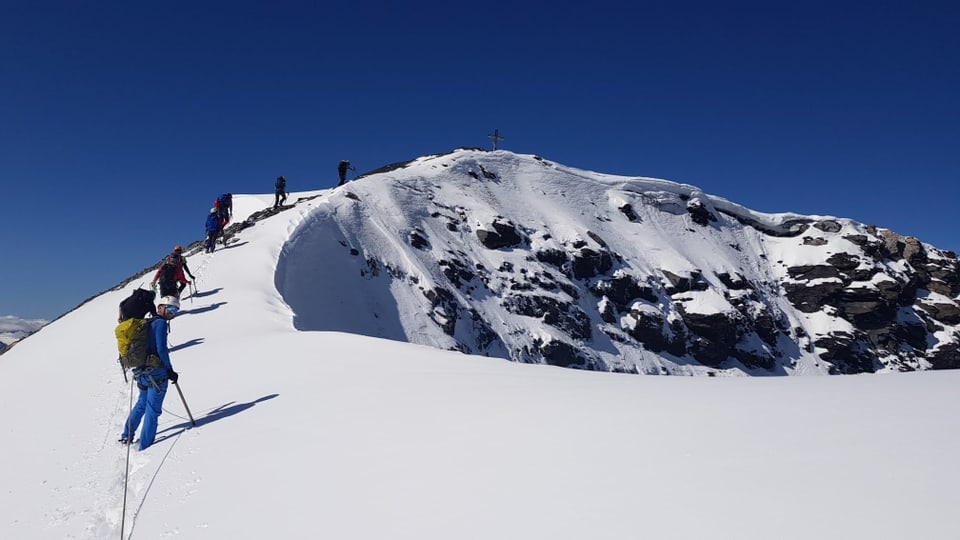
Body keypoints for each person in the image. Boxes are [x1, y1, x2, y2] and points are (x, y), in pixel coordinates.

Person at [120, 296, 180, 451]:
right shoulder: (160, 324)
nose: (173, 313)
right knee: (152, 409)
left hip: (142, 372)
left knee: (141, 404)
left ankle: (126, 434)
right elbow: (161, 349)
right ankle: (145, 446)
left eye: (176, 310)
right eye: (171, 309)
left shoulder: (147, 323)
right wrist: (169, 370)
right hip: (157, 373)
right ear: (161, 307)